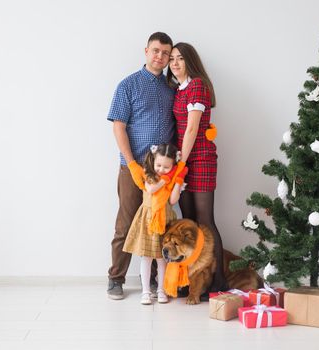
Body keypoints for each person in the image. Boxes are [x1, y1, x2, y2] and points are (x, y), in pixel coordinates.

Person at [106, 32, 175, 300]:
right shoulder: (128, 86)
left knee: (161, 223)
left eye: (165, 53)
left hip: (164, 172)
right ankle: (115, 278)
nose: (160, 56)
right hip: (134, 168)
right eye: (156, 51)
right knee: (126, 224)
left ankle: (157, 280)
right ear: (146, 51)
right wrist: (133, 165)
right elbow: (118, 126)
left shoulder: (172, 88)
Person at [166, 42, 228, 292]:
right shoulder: (179, 89)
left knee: (205, 220)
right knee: (188, 222)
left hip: (199, 159)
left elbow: (192, 129)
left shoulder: (197, 86)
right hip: (183, 161)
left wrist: (182, 163)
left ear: (190, 61)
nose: (175, 63)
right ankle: (192, 281)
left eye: (180, 58)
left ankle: (219, 280)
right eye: (172, 59)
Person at [123, 144, 187, 305]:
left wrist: (178, 180)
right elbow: (151, 190)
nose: (161, 169)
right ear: (153, 162)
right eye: (159, 165)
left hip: (166, 220)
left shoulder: (171, 180)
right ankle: (146, 291)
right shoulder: (148, 174)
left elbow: (173, 200)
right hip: (148, 219)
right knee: (147, 257)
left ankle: (161, 290)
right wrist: (167, 178)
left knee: (162, 259)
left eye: (167, 167)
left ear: (173, 166)